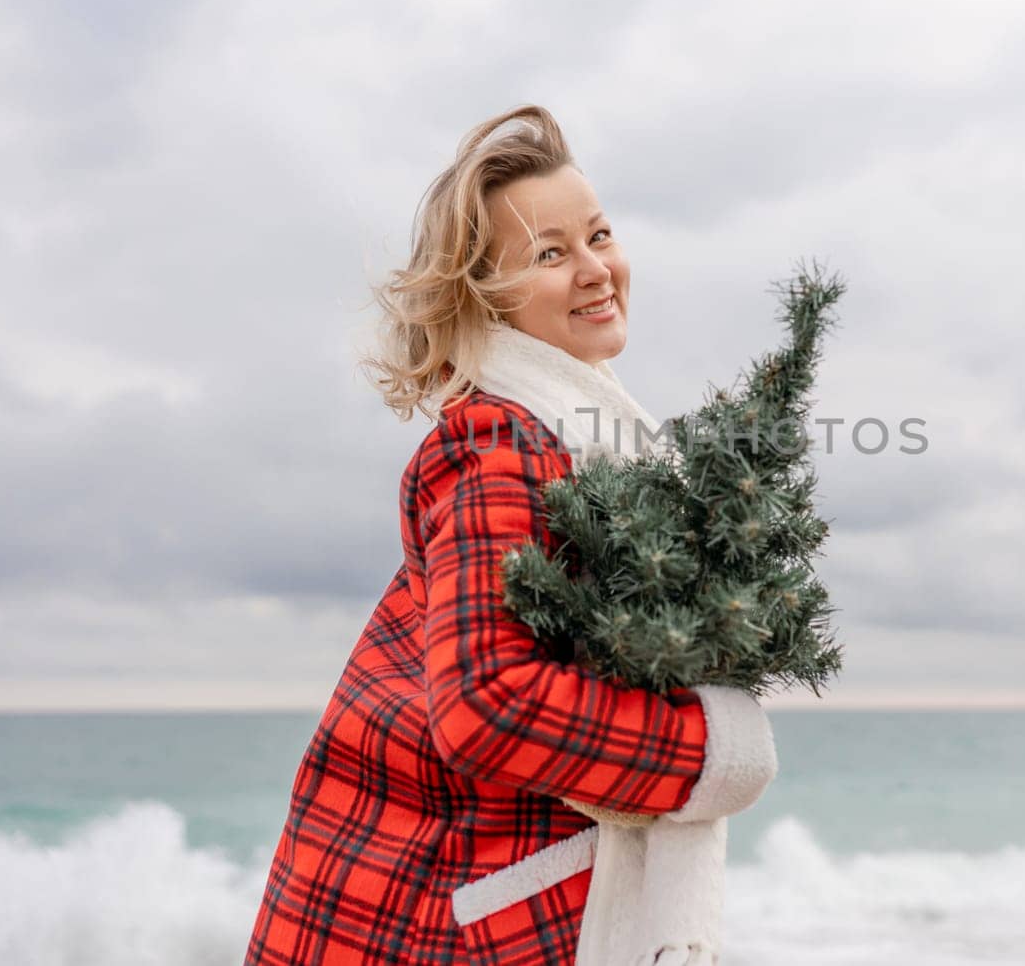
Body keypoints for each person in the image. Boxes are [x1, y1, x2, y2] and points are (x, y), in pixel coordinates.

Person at [242, 104, 779, 966]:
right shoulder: (497, 444)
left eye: (598, 234)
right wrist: (712, 748)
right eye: (551, 254)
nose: (597, 269)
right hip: (437, 920)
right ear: (484, 299)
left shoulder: (577, 435)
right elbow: (487, 702)